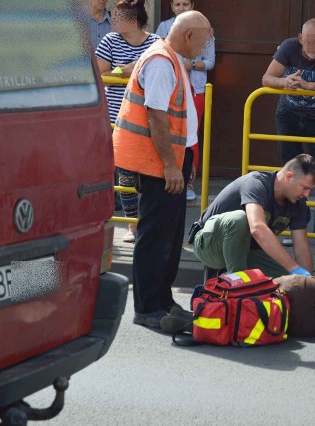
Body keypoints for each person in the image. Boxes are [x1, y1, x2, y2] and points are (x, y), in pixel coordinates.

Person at [112, 10, 213, 328]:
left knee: (168, 236)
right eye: (204, 37)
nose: (206, 44)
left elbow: (174, 117)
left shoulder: (170, 59)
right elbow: (155, 117)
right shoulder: (161, 61)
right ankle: (147, 308)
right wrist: (171, 165)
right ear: (188, 36)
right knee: (155, 237)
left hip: (170, 160)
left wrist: (185, 164)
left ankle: (163, 300)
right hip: (157, 163)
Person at [262, 18, 315, 234]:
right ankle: (291, 227)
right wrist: (285, 82)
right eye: (311, 42)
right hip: (288, 116)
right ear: (300, 39)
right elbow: (267, 78)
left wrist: (309, 86)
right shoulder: (290, 46)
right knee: (291, 174)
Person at [191, 154, 315, 278]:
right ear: (288, 177)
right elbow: (257, 229)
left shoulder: (298, 202)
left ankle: (240, 281)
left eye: (310, 190)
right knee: (239, 219)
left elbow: (301, 246)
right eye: (304, 187)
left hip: (247, 250)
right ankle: (236, 282)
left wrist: (307, 282)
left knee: (290, 281)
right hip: (209, 244)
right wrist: (294, 268)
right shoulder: (256, 184)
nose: (307, 194)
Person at [97, 0, 161, 243]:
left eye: (117, 17)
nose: (112, 22)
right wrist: (123, 72)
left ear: (132, 20)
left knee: (146, 176)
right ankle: (133, 227)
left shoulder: (155, 42)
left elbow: (155, 69)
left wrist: (129, 70)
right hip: (117, 120)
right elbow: (98, 74)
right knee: (124, 176)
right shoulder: (110, 41)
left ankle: (146, 223)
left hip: (148, 120)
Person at [156, 0, 216, 202]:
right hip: (172, 88)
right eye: (177, 5)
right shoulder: (164, 27)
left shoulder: (203, 27)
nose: (181, 8)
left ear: (193, 5)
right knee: (169, 130)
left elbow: (210, 61)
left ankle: (189, 182)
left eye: (185, 4)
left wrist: (192, 64)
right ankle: (168, 177)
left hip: (196, 89)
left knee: (191, 135)